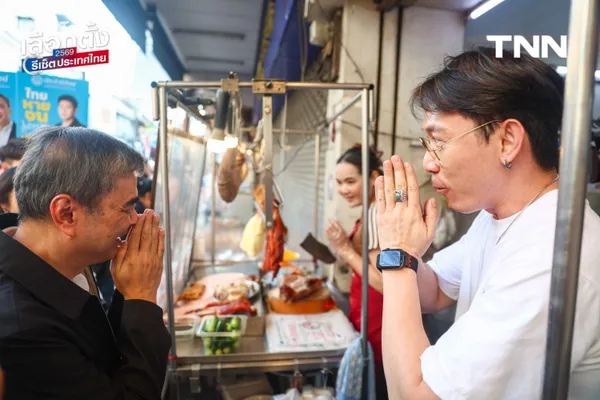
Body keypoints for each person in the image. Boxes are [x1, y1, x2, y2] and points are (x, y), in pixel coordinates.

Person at [374, 47, 600, 399]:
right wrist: (406, 247)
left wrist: (397, 254)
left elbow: (413, 395)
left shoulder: (550, 259)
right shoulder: (498, 215)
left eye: (439, 141)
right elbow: (434, 291)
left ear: (507, 141)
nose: (428, 162)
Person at [0, 126, 170, 399]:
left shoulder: (65, 260)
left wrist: (129, 291)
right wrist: (141, 295)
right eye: (127, 207)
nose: (134, 219)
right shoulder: (23, 329)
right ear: (66, 213)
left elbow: (107, 353)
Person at [324, 145, 388, 398]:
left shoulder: (377, 215)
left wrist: (345, 250)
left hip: (380, 322)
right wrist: (344, 248)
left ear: (373, 177)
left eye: (350, 181)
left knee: (376, 387)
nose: (343, 190)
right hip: (364, 315)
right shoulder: (369, 211)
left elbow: (384, 282)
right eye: (339, 183)